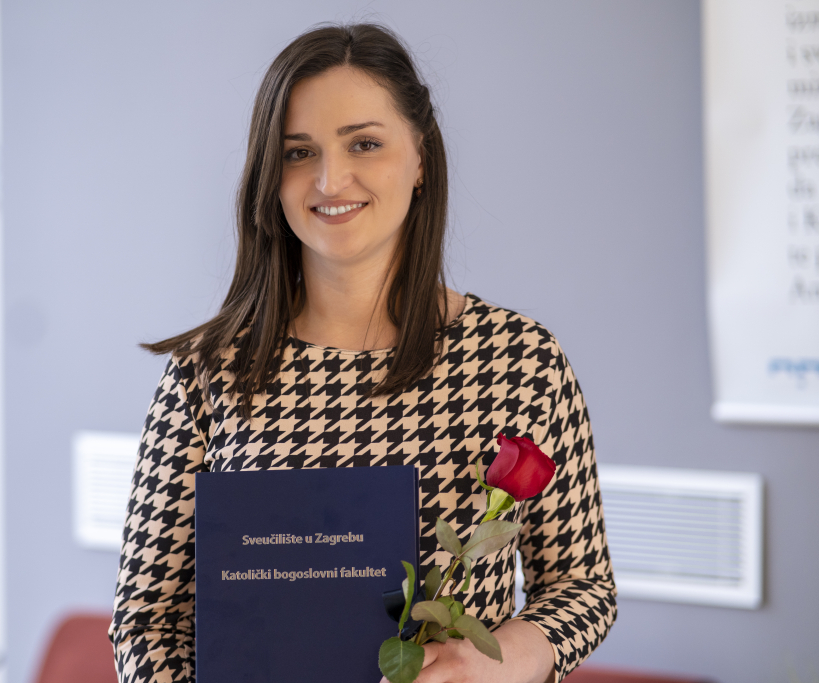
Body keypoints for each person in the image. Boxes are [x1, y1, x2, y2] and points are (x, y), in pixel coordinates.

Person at [109, 23, 616, 683]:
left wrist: (493, 664)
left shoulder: (522, 361)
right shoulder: (209, 370)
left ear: (421, 159)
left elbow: (582, 584)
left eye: (365, 143)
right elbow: (149, 619)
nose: (329, 179)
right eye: (298, 152)